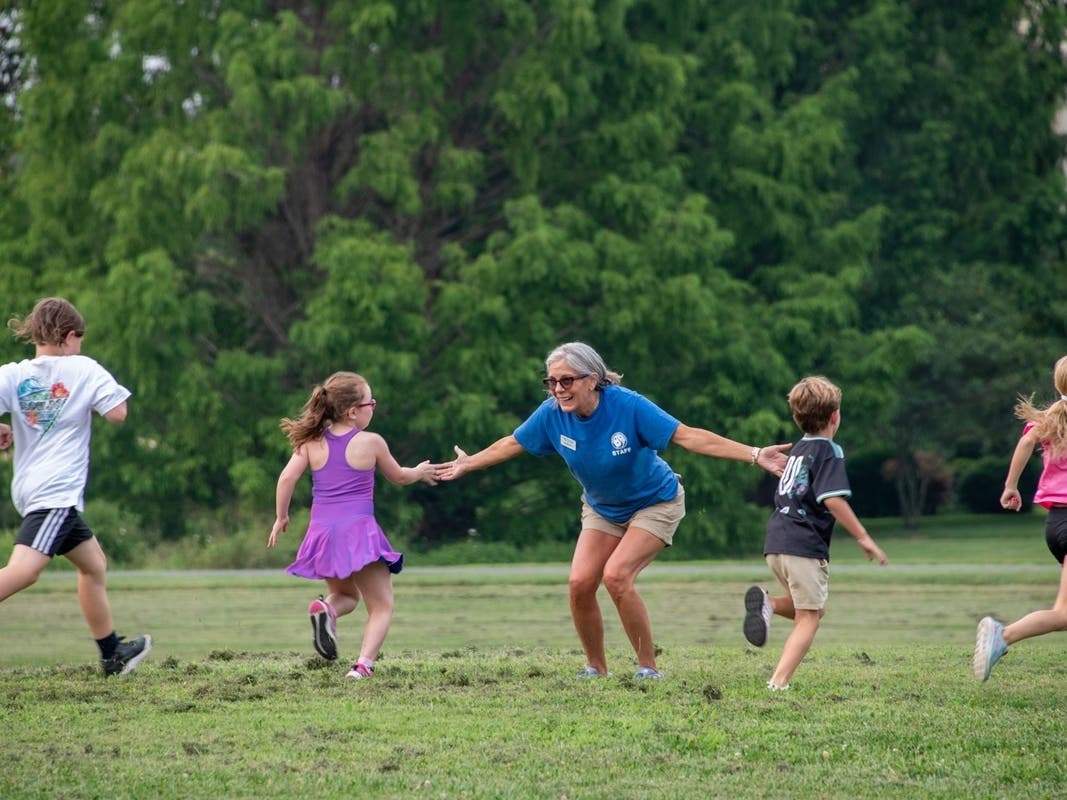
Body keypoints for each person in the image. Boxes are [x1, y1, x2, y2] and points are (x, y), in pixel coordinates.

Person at [434, 341, 790, 680]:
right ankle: (596, 668)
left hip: (656, 503)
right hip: (602, 507)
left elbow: (688, 436)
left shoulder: (628, 406)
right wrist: (470, 464)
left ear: (593, 379)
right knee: (579, 584)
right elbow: (513, 442)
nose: (558, 389)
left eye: (567, 380)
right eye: (552, 381)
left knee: (617, 576)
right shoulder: (552, 415)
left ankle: (648, 668)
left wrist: (755, 454)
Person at [0, 297, 151, 676]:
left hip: (32, 491)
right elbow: (118, 413)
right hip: (56, 493)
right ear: (69, 336)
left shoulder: (14, 374)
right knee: (25, 571)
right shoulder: (83, 368)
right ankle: (112, 653)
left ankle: (112, 653)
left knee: (94, 565)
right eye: (79, 339)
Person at [268, 371, 436, 679]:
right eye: (371, 402)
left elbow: (287, 478)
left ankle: (327, 611)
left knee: (346, 596)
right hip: (357, 531)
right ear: (353, 411)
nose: (374, 406)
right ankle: (363, 666)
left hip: (323, 532)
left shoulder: (312, 443)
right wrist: (420, 471)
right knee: (382, 605)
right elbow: (398, 476)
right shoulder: (371, 442)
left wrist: (281, 517)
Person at [742, 375, 887, 691]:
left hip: (776, 542)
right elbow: (832, 499)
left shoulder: (798, 450)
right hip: (803, 545)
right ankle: (778, 682)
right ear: (835, 416)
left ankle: (766, 604)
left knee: (809, 608)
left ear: (797, 417)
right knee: (809, 618)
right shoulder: (828, 451)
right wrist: (863, 536)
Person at [974, 355, 1067, 681]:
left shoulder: (1051, 420)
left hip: (1056, 524)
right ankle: (1004, 635)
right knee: (1064, 614)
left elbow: (1027, 440)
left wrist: (1010, 486)